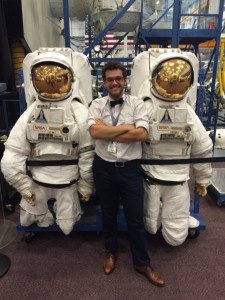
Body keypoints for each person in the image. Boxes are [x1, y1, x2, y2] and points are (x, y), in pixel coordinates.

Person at [1, 48, 94, 235]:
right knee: (28, 220)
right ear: (35, 82)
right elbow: (12, 156)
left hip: (68, 180)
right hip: (37, 180)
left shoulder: (78, 111)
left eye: (57, 79)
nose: (51, 83)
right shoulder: (32, 112)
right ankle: (41, 212)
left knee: (67, 226)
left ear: (71, 80)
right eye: (45, 79)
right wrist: (25, 187)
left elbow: (88, 151)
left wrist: (85, 185)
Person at [88, 61, 165, 287]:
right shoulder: (96, 104)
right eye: (110, 79)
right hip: (103, 168)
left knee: (135, 218)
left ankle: (142, 262)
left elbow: (141, 134)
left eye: (118, 78)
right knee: (108, 214)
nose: (114, 83)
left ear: (125, 80)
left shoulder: (137, 104)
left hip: (130, 169)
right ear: (104, 82)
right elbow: (94, 132)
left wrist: (107, 132)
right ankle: (110, 252)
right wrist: (125, 129)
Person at [130, 48, 213, 246]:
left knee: (175, 237)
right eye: (167, 81)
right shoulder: (145, 108)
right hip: (149, 176)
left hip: (178, 179)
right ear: (154, 79)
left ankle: (175, 223)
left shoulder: (187, 113)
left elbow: (202, 147)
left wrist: (203, 179)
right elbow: (130, 138)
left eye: (179, 82)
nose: (172, 86)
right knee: (150, 222)